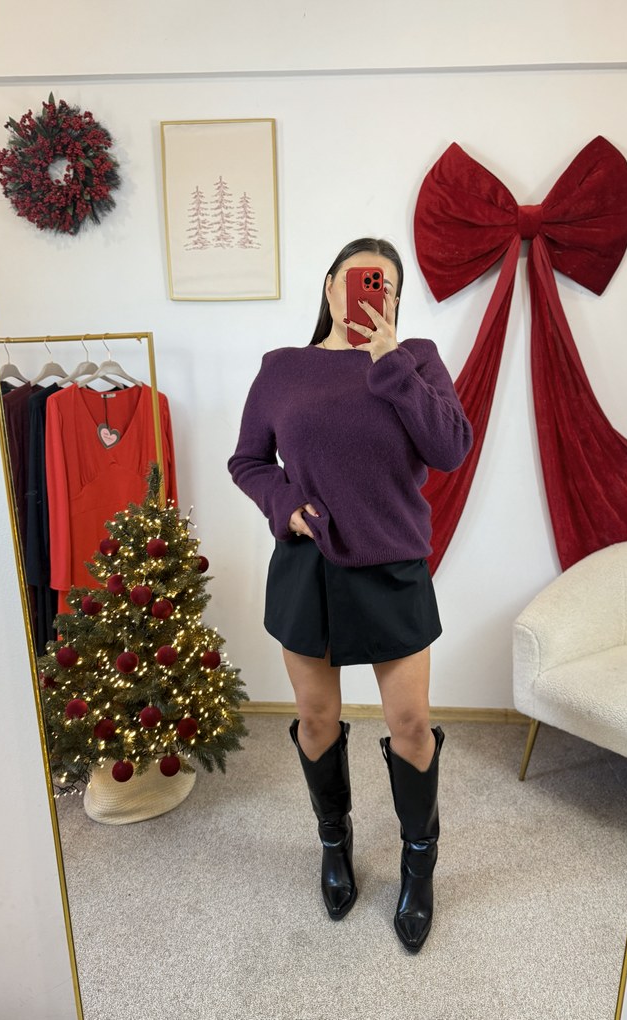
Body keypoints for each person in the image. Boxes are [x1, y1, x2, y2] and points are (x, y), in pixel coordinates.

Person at [228, 237, 472, 952]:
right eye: (362, 279)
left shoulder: (415, 359)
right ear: (331, 285)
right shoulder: (282, 368)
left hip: (392, 566)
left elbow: (450, 448)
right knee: (315, 717)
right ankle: (334, 844)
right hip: (308, 567)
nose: (373, 292)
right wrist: (286, 506)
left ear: (394, 300)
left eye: (386, 285)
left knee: (411, 724)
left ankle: (418, 864)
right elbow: (248, 461)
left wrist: (388, 360)